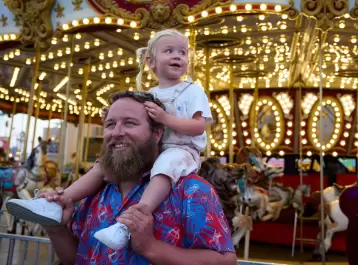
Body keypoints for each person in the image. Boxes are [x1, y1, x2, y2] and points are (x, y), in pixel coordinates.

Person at [6, 28, 212, 250]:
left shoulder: (192, 91)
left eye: (182, 52)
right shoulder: (151, 93)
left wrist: (165, 118)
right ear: (151, 62)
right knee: (103, 165)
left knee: (165, 165)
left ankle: (132, 219)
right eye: (169, 51)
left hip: (181, 150)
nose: (177, 56)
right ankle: (59, 202)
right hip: (156, 150)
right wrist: (114, 116)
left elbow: (199, 126)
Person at [28, 91, 236, 264]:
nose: (116, 132)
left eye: (129, 123)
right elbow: (77, 258)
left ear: (156, 133)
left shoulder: (191, 191)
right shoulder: (96, 191)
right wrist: (57, 230)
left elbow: (225, 261)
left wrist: (151, 247)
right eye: (110, 124)